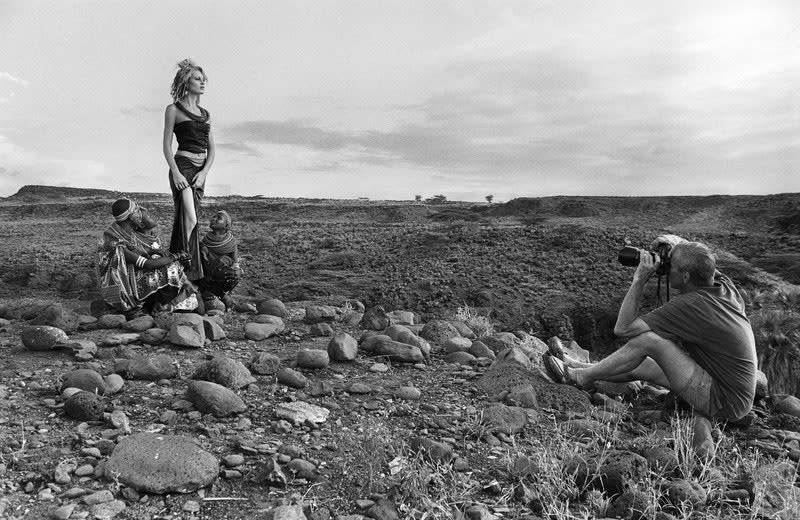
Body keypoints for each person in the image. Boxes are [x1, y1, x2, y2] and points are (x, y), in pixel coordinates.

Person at [543, 234, 757, 456]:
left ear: (684, 276)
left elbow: (623, 328)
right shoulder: (724, 287)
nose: (664, 269)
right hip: (728, 386)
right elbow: (702, 260)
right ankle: (579, 366)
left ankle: (577, 378)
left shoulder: (691, 304)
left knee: (648, 341)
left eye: (669, 266)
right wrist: (673, 246)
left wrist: (640, 278)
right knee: (643, 366)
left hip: (724, 399)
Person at [97, 198, 199, 317]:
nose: (140, 214)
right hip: (123, 287)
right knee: (170, 268)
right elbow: (147, 264)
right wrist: (175, 256)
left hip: (132, 275)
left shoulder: (126, 233)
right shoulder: (115, 241)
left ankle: (161, 305)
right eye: (137, 211)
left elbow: (142, 253)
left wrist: (157, 252)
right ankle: (155, 306)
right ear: (131, 217)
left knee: (171, 264)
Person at [163, 58, 215, 281]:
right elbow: (166, 145)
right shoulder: (173, 109)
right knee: (190, 219)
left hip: (200, 171)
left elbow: (212, 149)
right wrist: (175, 172)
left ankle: (180, 268)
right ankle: (189, 270)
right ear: (186, 81)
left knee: (189, 219)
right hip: (182, 167)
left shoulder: (206, 114)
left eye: (203, 80)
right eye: (197, 79)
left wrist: (204, 173)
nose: (202, 83)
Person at [197, 210, 243, 310]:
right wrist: (204, 251)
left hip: (222, 272)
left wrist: (237, 270)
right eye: (213, 217)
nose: (214, 219)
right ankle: (217, 295)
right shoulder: (206, 240)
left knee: (234, 273)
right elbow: (204, 256)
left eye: (218, 218)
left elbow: (235, 262)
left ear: (226, 225)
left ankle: (220, 293)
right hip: (207, 273)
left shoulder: (231, 241)